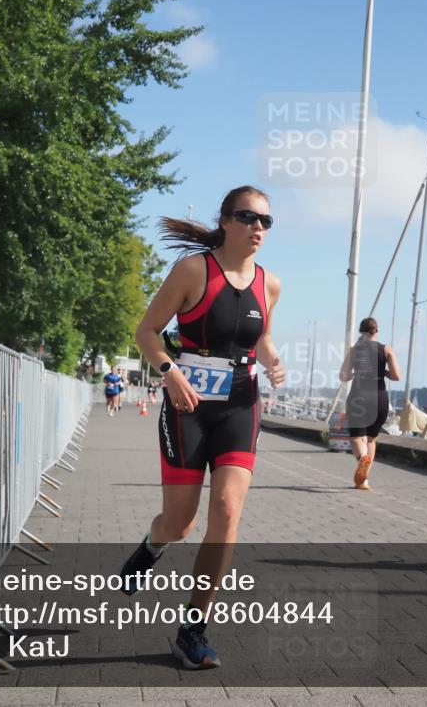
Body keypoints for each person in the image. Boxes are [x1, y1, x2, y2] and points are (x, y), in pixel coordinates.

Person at [118, 185, 285, 669]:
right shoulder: (194, 270)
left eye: (266, 221)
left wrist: (273, 362)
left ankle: (193, 628)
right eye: (248, 217)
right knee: (180, 523)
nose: (258, 227)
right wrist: (169, 373)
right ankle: (153, 545)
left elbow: (261, 336)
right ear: (226, 220)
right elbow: (146, 332)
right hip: (186, 404)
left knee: (227, 510)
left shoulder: (270, 284)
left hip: (240, 404)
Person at [339, 317, 401, 490]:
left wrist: (354, 374)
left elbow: (343, 376)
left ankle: (362, 460)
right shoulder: (386, 349)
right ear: (377, 331)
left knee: (356, 437)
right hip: (379, 397)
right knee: (371, 439)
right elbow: (397, 376)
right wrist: (384, 372)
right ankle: (363, 481)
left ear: (361, 331)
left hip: (359, 395)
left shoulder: (354, 350)